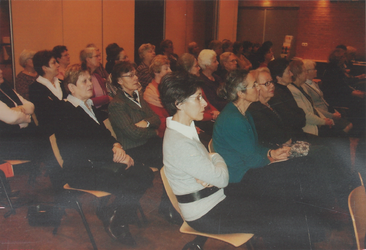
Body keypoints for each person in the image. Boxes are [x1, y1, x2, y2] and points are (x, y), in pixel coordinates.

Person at [212, 69, 360, 249]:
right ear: (240, 93)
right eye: (254, 86)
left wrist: (271, 153)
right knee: (295, 180)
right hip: (240, 178)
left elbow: (254, 148)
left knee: (304, 168)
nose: (258, 89)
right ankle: (300, 237)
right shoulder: (233, 118)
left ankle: (311, 232)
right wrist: (271, 157)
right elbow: (251, 159)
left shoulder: (243, 112)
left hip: (249, 169)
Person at [55, 64, 154, 246]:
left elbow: (105, 135)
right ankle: (118, 221)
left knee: (145, 173)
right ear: (71, 87)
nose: (90, 84)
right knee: (131, 181)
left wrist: (116, 145)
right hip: (81, 170)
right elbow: (83, 149)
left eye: (89, 80)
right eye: (84, 81)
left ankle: (115, 215)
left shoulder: (87, 106)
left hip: (99, 163)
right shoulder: (66, 112)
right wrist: (118, 157)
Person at [108, 62, 162, 170]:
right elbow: (134, 133)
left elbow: (156, 119)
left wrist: (146, 123)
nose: (136, 78)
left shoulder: (138, 96)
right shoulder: (117, 104)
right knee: (174, 156)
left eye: (135, 74)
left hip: (149, 143)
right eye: (130, 75)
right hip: (135, 148)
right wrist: (154, 132)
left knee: (178, 149)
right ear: (119, 81)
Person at [322, 49, 365, 137]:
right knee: (360, 103)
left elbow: (342, 85)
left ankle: (358, 130)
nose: (345, 59)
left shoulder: (335, 68)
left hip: (338, 95)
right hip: (334, 98)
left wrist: (352, 91)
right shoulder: (333, 70)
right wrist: (353, 93)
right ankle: (357, 132)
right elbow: (338, 87)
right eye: (343, 57)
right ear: (339, 59)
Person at [177, 53, 220, 142]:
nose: (199, 68)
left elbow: (206, 101)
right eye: (196, 66)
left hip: (207, 116)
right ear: (188, 70)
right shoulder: (186, 88)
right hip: (200, 120)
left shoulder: (196, 82)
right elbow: (195, 113)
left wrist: (215, 111)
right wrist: (212, 116)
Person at [303, 59, 352, 134]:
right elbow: (314, 107)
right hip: (322, 115)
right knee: (348, 127)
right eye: (314, 69)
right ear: (306, 72)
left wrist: (334, 111)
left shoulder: (313, 83)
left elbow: (323, 100)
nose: (316, 71)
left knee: (351, 125)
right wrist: (331, 115)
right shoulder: (305, 87)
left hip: (328, 111)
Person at [287, 59, 335, 136]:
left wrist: (324, 119)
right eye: (304, 71)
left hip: (316, 123)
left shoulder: (303, 87)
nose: (307, 73)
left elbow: (313, 108)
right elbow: (306, 115)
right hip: (308, 128)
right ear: (298, 75)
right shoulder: (292, 90)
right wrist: (324, 122)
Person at [247, 68, 291, 149]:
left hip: (288, 143)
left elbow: (290, 121)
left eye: (271, 81)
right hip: (275, 150)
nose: (272, 85)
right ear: (256, 87)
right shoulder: (254, 109)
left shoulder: (273, 101)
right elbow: (275, 136)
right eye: (267, 83)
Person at [29, 50, 67, 136]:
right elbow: (47, 114)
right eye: (54, 63)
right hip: (50, 132)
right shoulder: (35, 88)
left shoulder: (62, 83)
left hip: (66, 127)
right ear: (44, 68)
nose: (58, 65)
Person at [267, 58, 306, 141]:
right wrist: (300, 115)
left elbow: (299, 115)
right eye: (288, 72)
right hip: (291, 137)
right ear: (278, 77)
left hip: (297, 133)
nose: (292, 74)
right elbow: (292, 120)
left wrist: (300, 115)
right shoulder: (275, 95)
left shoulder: (285, 89)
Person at [143, 55, 172, 137]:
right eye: (166, 69)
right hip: (163, 133)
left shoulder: (168, 88)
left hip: (173, 128)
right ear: (156, 72)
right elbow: (160, 123)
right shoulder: (151, 93)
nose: (170, 71)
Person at [80, 47, 111, 117]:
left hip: (103, 110)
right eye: (96, 56)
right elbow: (86, 100)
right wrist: (107, 98)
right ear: (88, 59)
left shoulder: (97, 76)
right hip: (91, 112)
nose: (100, 58)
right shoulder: (82, 79)